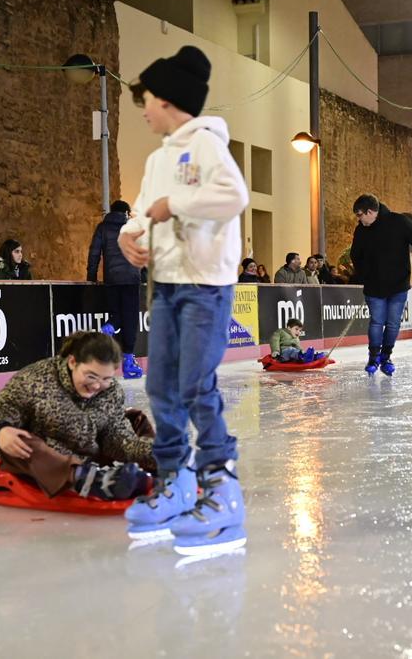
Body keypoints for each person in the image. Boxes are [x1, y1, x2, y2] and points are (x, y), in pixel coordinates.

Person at [116, 45, 249, 555]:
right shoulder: (157, 159)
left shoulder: (209, 146)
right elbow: (146, 214)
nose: (143, 110)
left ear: (167, 99)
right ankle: (177, 483)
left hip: (205, 285)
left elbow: (232, 198)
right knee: (161, 386)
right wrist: (133, 236)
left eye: (146, 100)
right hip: (166, 285)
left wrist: (176, 204)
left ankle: (222, 488)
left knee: (195, 385)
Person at [0, 331, 154, 499]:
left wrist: (155, 452)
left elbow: (117, 438)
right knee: (19, 439)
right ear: (73, 362)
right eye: (91, 376)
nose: (97, 386)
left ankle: (155, 466)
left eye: (106, 378)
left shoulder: (111, 391)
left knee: (134, 418)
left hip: (90, 453)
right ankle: (90, 480)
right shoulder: (35, 381)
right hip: (47, 461)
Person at [350, 194, 412, 375]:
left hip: (398, 285)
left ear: (370, 212)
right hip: (374, 286)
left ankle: (386, 357)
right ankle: (373, 357)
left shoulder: (399, 222)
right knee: (377, 322)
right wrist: (363, 275)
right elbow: (356, 255)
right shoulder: (361, 230)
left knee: (393, 324)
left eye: (360, 215)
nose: (359, 219)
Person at [88, 200, 145, 379]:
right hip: (130, 279)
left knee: (117, 314)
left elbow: (94, 252)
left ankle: (109, 327)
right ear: (126, 213)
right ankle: (128, 362)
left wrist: (91, 276)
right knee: (130, 318)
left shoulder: (102, 228)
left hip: (111, 279)